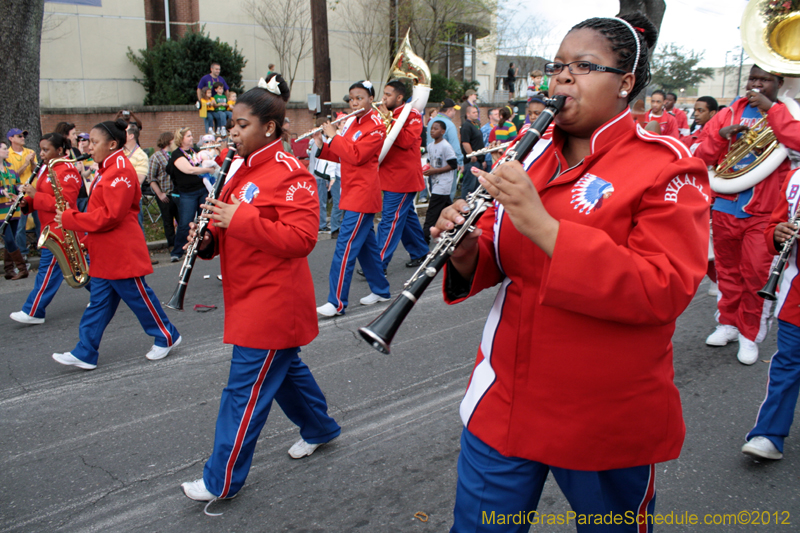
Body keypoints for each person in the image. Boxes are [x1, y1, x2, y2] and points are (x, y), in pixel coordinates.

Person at [434, 14, 709, 531]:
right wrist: (467, 248)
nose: (562, 76)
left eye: (583, 66)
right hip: (505, 399)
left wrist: (543, 224)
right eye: (558, 65)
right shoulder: (532, 155)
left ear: (625, 83)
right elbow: (502, 255)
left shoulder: (667, 165)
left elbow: (663, 288)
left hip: (602, 413)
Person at [180, 75, 340, 506]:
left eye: (242, 124)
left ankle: (221, 480)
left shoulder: (291, 173)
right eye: (232, 124)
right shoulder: (241, 168)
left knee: (244, 392)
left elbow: (302, 239)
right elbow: (227, 225)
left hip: (273, 302)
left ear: (269, 128)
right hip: (249, 293)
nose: (233, 132)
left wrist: (239, 219)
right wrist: (207, 239)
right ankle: (320, 428)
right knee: (284, 374)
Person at [51, 119, 180, 370]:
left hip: (121, 252)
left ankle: (167, 335)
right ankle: (85, 351)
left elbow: (111, 215)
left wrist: (70, 219)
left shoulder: (120, 169)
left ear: (112, 144)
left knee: (139, 298)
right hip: (106, 250)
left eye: (94, 142)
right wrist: (87, 241)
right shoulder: (107, 167)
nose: (89, 147)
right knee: (98, 304)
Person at [695, 66, 800, 364]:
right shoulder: (728, 112)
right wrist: (720, 136)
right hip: (725, 206)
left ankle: (749, 334)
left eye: (764, 80)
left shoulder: (788, 112)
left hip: (764, 211)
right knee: (727, 272)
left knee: (756, 274)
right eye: (753, 79)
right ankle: (727, 323)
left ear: (779, 82)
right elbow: (700, 155)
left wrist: (773, 111)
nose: (756, 84)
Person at [313, 80, 391, 316]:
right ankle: (381, 290)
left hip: (362, 195)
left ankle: (336, 302)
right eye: (352, 99)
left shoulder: (376, 125)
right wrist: (322, 144)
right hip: (352, 192)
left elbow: (356, 155)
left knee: (345, 247)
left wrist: (334, 135)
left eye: (360, 98)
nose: (354, 103)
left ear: (371, 99)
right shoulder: (352, 123)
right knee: (367, 247)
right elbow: (342, 154)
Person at [742, 162, 800, 460]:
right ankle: (768, 434)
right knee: (787, 364)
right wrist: (777, 233)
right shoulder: (794, 179)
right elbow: (771, 229)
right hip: (796, 293)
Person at [10, 133, 82, 325]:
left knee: (48, 270)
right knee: (82, 267)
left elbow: (65, 203)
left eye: (45, 150)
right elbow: (42, 195)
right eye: (40, 149)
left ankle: (33, 311)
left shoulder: (67, 170)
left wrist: (35, 194)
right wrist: (26, 202)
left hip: (61, 228)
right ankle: (107, 293)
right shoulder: (48, 168)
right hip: (49, 226)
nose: (41, 154)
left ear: (59, 150)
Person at [371, 80, 429, 274]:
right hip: (390, 176)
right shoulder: (387, 114)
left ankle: (378, 263)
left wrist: (389, 120)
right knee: (405, 218)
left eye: (388, 95)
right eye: (384, 94)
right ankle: (420, 252)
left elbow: (405, 141)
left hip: (403, 179)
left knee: (390, 220)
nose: (383, 98)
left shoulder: (412, 114)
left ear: (399, 98)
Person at [167, 127, 214, 262]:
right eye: (188, 136)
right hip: (188, 193)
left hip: (202, 190)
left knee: (204, 219)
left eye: (191, 135)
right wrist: (208, 170)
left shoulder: (195, 151)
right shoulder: (177, 154)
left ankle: (203, 246)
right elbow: (189, 170)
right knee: (185, 222)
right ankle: (178, 251)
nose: (192, 138)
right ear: (181, 138)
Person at [5, 128, 40, 258]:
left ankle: (42, 249)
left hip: (34, 192)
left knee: (40, 223)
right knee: (20, 226)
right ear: (11, 139)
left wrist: (32, 162)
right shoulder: (8, 154)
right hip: (20, 195)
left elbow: (36, 171)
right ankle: (22, 252)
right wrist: (25, 163)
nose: (23, 138)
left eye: (23, 135)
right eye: (19, 136)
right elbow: (13, 175)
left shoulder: (30, 152)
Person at [422, 121, 457, 244]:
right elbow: (430, 161)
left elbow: (453, 165)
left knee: (432, 212)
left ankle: (424, 239)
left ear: (442, 132)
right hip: (435, 182)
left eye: (436, 129)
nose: (432, 131)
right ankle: (456, 230)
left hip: (444, 184)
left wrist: (435, 171)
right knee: (447, 209)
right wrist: (427, 168)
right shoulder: (430, 146)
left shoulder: (446, 146)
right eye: (431, 128)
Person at [148, 132, 180, 251]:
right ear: (168, 141)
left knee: (182, 219)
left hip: (178, 193)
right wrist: (160, 194)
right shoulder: (156, 157)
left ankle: (182, 243)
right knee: (168, 220)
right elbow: (151, 178)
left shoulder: (177, 154)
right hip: (165, 193)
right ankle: (172, 245)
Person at [426, 98, 464, 200]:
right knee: (448, 192)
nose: (455, 112)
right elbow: (454, 145)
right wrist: (460, 162)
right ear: (449, 111)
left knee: (435, 190)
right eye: (454, 110)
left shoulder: (431, 122)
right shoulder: (449, 125)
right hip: (447, 163)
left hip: (433, 161)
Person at [0, 142, 26, 279]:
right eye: (4, 149)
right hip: (1, 212)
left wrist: (20, 188)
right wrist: (1, 191)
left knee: (11, 240)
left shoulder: (10, 168)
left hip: (13, 209)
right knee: (9, 239)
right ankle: (22, 268)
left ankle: (9, 269)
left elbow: (16, 183)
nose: (7, 151)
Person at [459, 105, 487, 200]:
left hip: (478, 160)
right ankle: (465, 203)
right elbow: (465, 142)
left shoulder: (475, 125)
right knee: (469, 186)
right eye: (474, 112)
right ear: (468, 114)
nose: (476, 114)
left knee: (476, 186)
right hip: (472, 161)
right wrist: (472, 155)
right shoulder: (466, 126)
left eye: (477, 112)